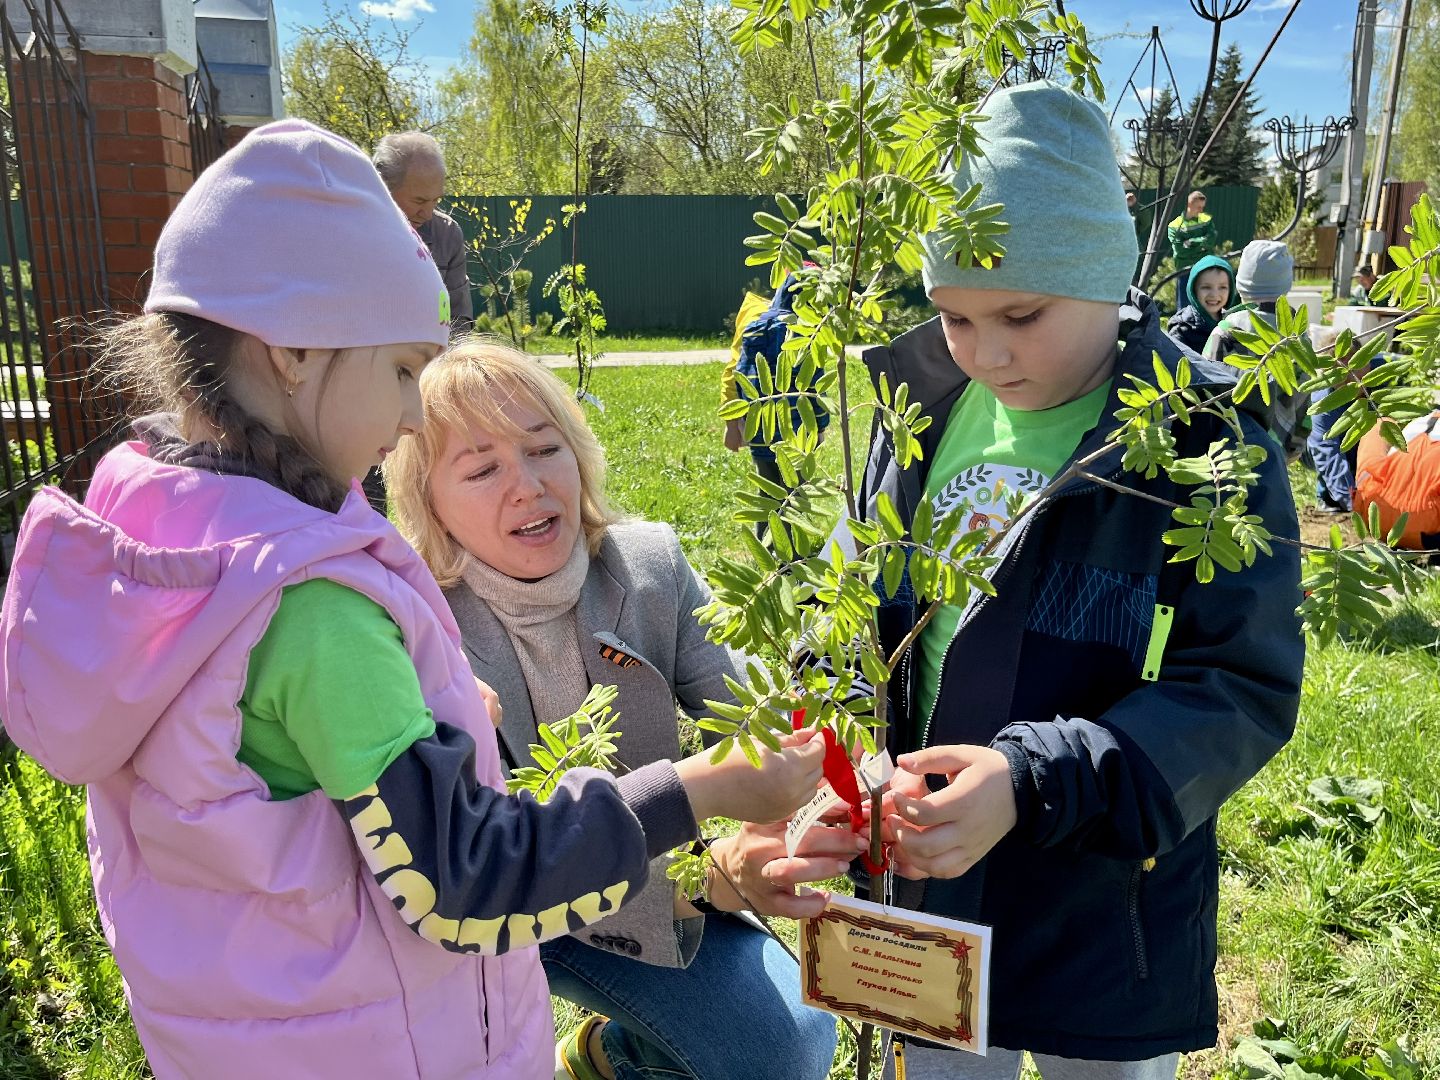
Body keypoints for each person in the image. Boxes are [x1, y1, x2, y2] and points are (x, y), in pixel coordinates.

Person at [0, 119, 827, 1080]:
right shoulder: (314, 607)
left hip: (243, 1021)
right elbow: (464, 881)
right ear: (297, 352)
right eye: (399, 370)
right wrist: (709, 787)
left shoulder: (160, 522)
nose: (405, 415)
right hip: (393, 1040)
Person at [837, 82, 1303, 1080]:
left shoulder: (1204, 440)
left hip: (1105, 906)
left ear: (1106, 269)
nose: (988, 351)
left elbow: (1238, 686)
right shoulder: (916, 410)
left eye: (1020, 312)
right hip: (929, 891)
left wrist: (1033, 779)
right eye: (955, 317)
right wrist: (845, 745)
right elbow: (851, 607)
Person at [385, 340, 844, 1080]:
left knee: (791, 1040)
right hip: (485, 918)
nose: (528, 486)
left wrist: (784, 817)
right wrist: (714, 882)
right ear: (427, 501)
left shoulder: (650, 566)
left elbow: (759, 716)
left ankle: (611, 1058)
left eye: (544, 448)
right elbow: (495, 868)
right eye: (481, 468)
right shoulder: (415, 628)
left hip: (638, 879)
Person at [722, 271, 831, 507]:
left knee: (768, 497)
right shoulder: (805, 335)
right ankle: (791, 544)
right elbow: (815, 389)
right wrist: (820, 427)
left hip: (761, 432)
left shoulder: (753, 327)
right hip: (798, 437)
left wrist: (739, 421)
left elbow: (740, 374)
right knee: (795, 497)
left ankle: (767, 543)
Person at [1203, 239, 1309, 459]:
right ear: (1286, 286)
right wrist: (1296, 445)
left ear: (1241, 285)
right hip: (1281, 448)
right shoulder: (1298, 335)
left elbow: (1206, 389)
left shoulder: (1226, 331)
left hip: (1230, 448)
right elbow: (1306, 396)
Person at [374, 131, 473, 332]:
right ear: (382, 188)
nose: (428, 214)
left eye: (436, 200)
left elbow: (458, 319)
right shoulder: (349, 233)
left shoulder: (447, 235)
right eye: (419, 201)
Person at [1304, 326, 1356, 513]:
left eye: (1354, 367)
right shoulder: (1323, 402)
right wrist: (1354, 504)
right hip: (1314, 447)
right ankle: (1328, 497)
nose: (1350, 377)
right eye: (1339, 373)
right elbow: (1328, 454)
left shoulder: (1382, 375)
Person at [1165, 253, 1236, 353]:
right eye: (1206, 287)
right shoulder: (1182, 329)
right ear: (1194, 290)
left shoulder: (1235, 323)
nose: (1214, 294)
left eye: (1222, 287)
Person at [1167, 189, 1217, 305]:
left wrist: (1192, 242)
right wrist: (1202, 247)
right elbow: (1180, 251)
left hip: (1205, 268)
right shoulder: (1174, 225)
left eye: (1203, 207)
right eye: (1198, 207)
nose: (1201, 210)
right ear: (1189, 204)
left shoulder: (1206, 219)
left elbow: (1211, 241)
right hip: (1185, 270)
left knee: (1207, 305)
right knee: (1185, 307)